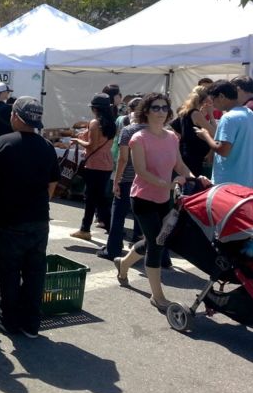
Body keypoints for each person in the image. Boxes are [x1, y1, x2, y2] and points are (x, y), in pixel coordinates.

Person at [114, 93, 207, 310]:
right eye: (155, 108)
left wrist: (195, 177)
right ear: (146, 111)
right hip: (142, 198)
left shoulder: (172, 137)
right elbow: (141, 171)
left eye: (164, 108)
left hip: (164, 199)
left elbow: (180, 165)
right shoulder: (139, 138)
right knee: (157, 244)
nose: (160, 112)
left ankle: (123, 263)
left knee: (152, 240)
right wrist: (166, 184)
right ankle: (157, 296)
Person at [0, 97, 60, 338]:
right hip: (38, 219)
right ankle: (31, 323)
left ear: (16, 116)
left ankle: (9, 319)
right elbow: (53, 183)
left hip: (10, 219)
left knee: (9, 271)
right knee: (35, 272)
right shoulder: (46, 146)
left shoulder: (4, 142)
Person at [98, 97, 145, 260]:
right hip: (147, 180)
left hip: (128, 178)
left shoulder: (129, 130)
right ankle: (153, 253)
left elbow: (123, 159)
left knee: (118, 215)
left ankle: (113, 249)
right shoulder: (158, 131)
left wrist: (116, 179)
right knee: (147, 218)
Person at [70, 93, 116, 240]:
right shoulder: (111, 123)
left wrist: (77, 141)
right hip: (107, 163)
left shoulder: (95, 123)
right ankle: (90, 228)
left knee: (93, 198)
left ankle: (89, 229)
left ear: (95, 109)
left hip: (95, 163)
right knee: (98, 198)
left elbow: (91, 145)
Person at [195, 80, 253, 187]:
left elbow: (223, 150)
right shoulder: (250, 114)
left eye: (213, 99)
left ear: (221, 96)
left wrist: (206, 136)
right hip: (247, 180)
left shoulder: (228, 117)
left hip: (228, 181)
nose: (212, 104)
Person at [171, 87, 216, 177]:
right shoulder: (196, 114)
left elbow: (174, 128)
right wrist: (211, 115)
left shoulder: (185, 111)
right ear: (205, 99)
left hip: (185, 153)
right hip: (195, 157)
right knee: (194, 185)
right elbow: (215, 132)